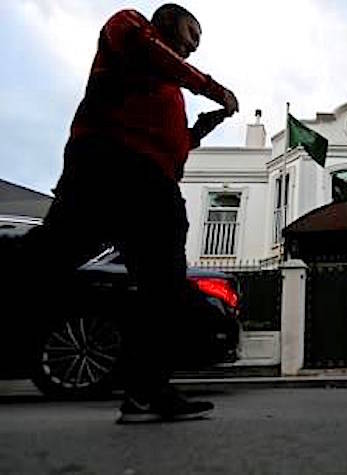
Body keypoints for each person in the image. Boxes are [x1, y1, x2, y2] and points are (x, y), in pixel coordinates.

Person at [21, 3, 238, 423]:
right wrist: (214, 89)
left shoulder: (170, 90)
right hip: (109, 165)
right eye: (192, 33)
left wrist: (199, 131)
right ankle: (147, 390)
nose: (194, 46)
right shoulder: (131, 27)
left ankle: (146, 392)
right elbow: (151, 52)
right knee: (49, 259)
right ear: (168, 22)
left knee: (160, 285)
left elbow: (172, 145)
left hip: (151, 181)